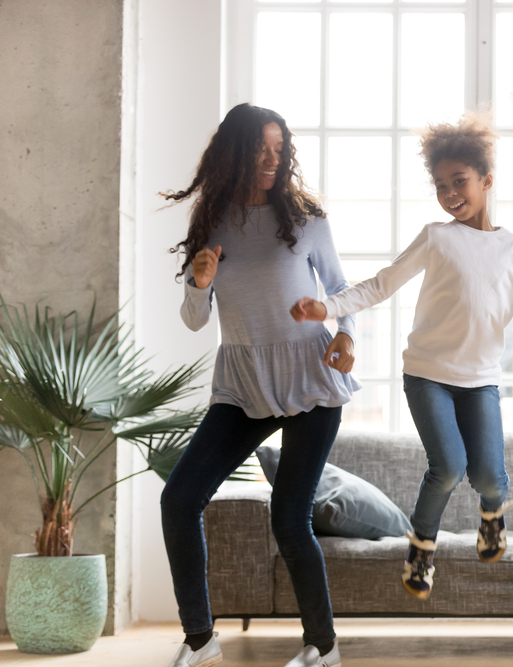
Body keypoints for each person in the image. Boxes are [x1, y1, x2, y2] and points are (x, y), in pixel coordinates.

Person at [290, 112, 513, 600]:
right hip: (427, 375)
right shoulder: (436, 237)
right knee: (447, 466)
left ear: (486, 180)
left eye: (459, 181)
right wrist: (327, 307)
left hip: (480, 379)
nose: (450, 193)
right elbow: (382, 283)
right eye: (441, 185)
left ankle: (493, 514)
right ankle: (421, 548)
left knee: (487, 475)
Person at [160, 103, 357, 667]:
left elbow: (342, 290)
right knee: (179, 500)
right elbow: (195, 319)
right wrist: (200, 283)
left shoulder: (305, 217)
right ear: (235, 152)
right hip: (244, 383)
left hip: (311, 378)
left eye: (278, 150)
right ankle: (200, 639)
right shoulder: (211, 219)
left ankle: (322, 646)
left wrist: (346, 336)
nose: (272, 161)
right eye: (260, 150)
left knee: (290, 518)